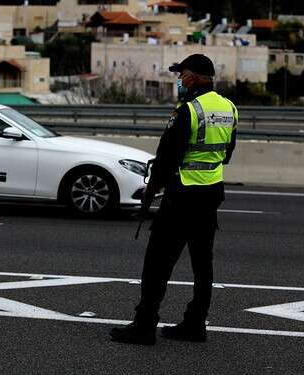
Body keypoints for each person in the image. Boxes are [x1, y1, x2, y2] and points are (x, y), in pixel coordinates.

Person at [110, 54, 238, 345]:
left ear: (192, 77)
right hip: (211, 194)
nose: (180, 80)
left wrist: (149, 195)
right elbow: (227, 153)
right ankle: (195, 324)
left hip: (182, 196)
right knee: (203, 264)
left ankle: (144, 327)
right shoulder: (229, 108)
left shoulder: (188, 111)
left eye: (182, 75)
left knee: (157, 263)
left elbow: (167, 160)